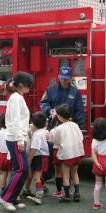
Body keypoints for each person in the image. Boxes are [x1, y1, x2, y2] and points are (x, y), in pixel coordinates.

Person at [40, 65, 85, 196]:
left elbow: (80, 111)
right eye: (62, 78)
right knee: (50, 158)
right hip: (53, 127)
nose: (64, 81)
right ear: (59, 77)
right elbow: (43, 103)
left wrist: (79, 128)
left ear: (70, 78)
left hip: (68, 130)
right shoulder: (51, 89)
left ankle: (67, 189)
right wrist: (49, 110)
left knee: (67, 160)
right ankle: (51, 184)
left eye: (67, 79)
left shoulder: (75, 92)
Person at [0, 71, 33, 212]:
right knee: (21, 169)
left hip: (16, 137)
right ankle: (5, 197)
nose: (29, 88)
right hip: (15, 139)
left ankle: (12, 198)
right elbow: (16, 121)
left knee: (20, 169)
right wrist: (20, 140)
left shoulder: (17, 97)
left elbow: (16, 121)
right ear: (22, 85)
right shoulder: (16, 98)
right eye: (28, 85)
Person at [49, 104, 85, 202]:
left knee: (66, 175)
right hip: (77, 152)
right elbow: (81, 137)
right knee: (75, 173)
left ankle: (67, 195)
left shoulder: (59, 129)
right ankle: (77, 193)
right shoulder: (75, 125)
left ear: (59, 116)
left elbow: (55, 141)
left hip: (67, 154)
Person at [27, 112, 50, 205]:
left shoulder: (36, 134)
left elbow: (34, 148)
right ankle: (43, 189)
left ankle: (38, 195)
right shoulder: (45, 131)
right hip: (44, 156)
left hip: (39, 156)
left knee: (37, 176)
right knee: (39, 175)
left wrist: (29, 159)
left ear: (33, 123)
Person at [0, 114, 12, 192]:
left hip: (1, 155)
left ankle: (3, 188)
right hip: (10, 155)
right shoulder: (10, 132)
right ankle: (10, 189)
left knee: (3, 173)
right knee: (11, 173)